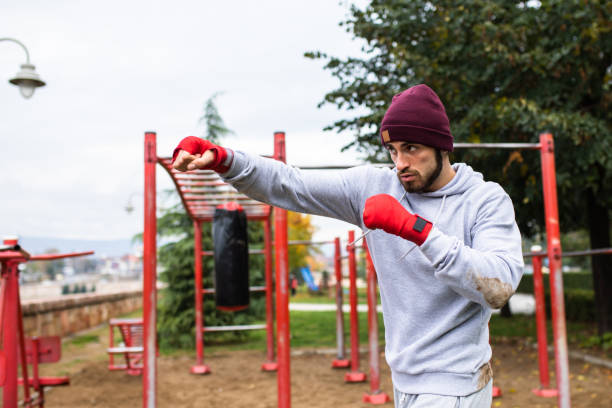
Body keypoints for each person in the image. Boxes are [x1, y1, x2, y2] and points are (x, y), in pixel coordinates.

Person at [172, 84, 523, 408]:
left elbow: (499, 286)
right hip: (404, 379)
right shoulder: (374, 185)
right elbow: (290, 183)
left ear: (442, 146)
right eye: (393, 150)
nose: (400, 163)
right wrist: (225, 160)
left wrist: (417, 230)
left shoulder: (484, 200)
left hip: (454, 384)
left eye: (412, 149)